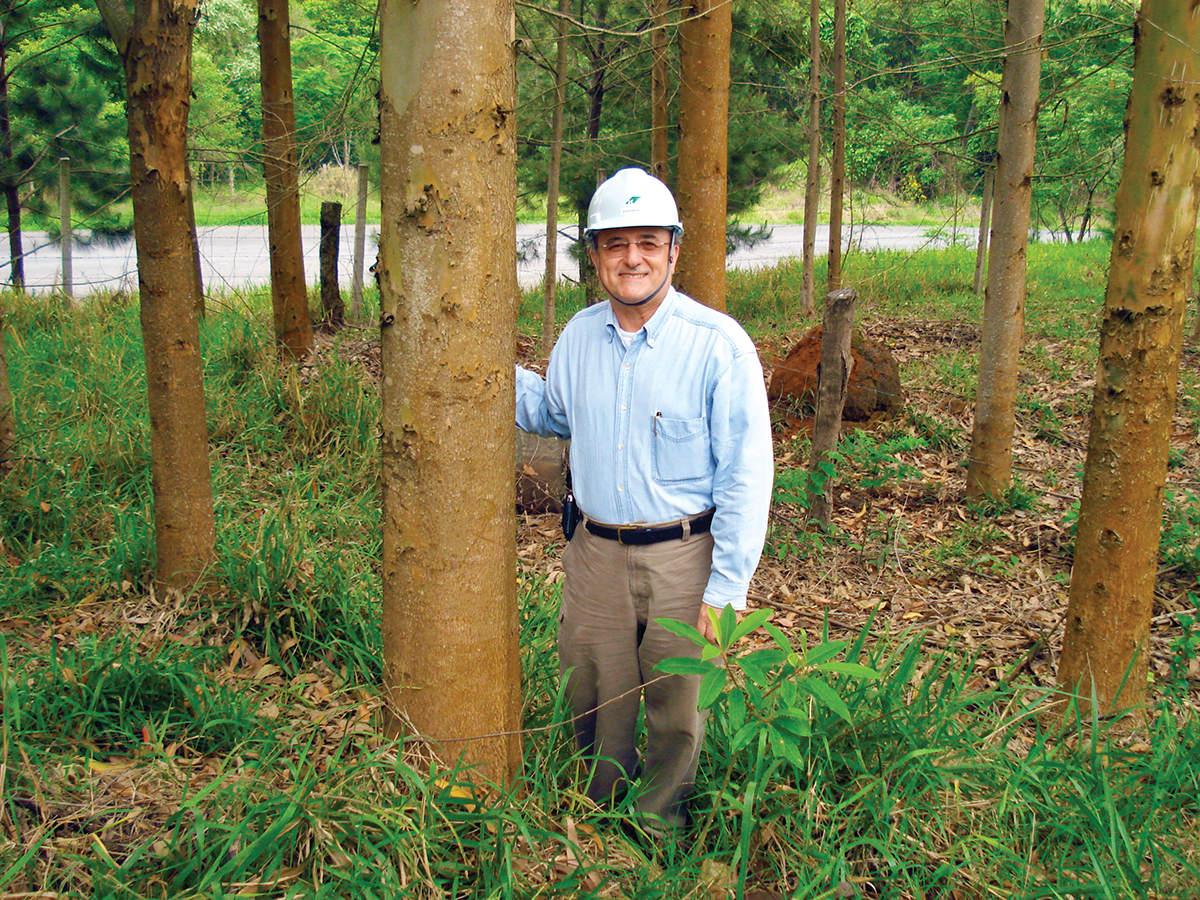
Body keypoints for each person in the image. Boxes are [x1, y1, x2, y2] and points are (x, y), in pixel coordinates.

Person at [515, 168, 773, 834]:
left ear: (673, 251)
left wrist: (727, 589)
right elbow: (552, 412)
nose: (633, 258)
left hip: (686, 557)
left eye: (648, 243)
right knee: (593, 690)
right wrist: (477, 356)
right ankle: (595, 823)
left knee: (676, 700)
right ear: (595, 255)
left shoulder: (719, 347)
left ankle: (657, 832)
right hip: (595, 551)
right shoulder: (577, 338)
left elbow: (746, 475)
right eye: (615, 243)